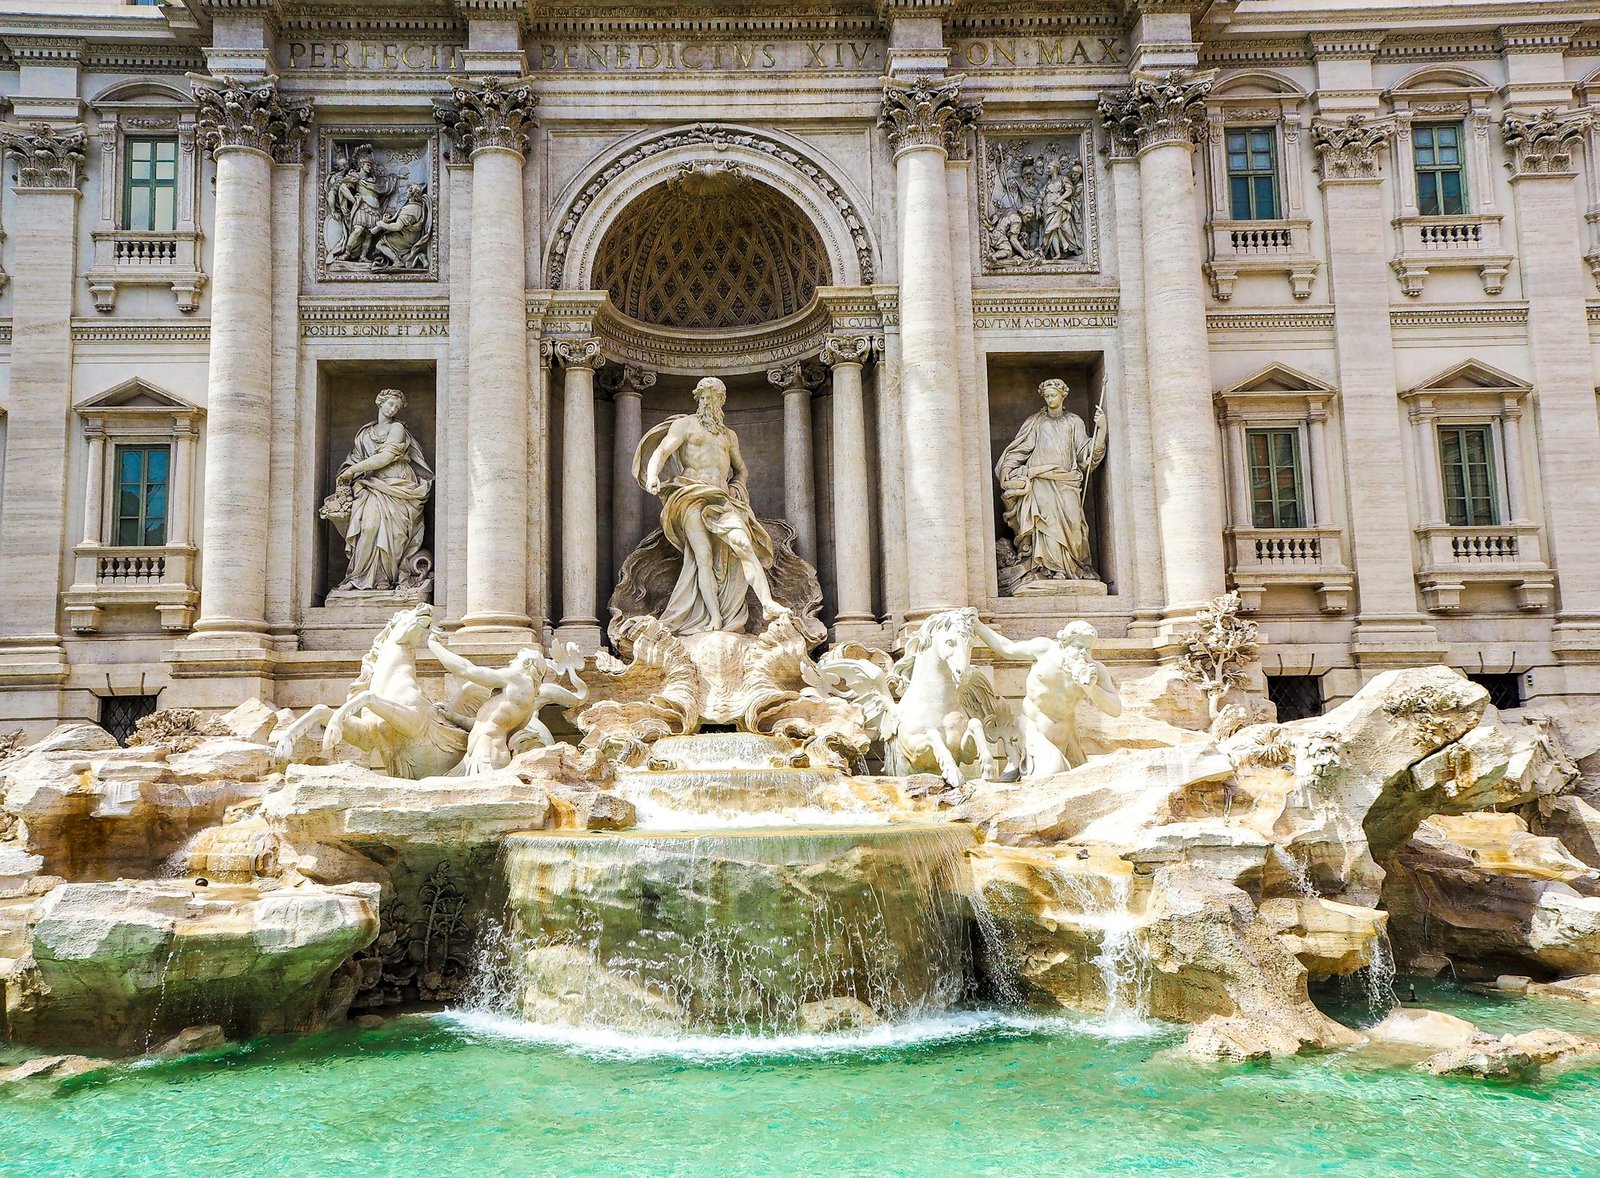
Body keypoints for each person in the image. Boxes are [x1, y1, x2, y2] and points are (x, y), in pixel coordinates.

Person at [636, 376, 789, 634]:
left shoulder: (728, 436)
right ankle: (714, 619)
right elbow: (661, 452)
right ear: (698, 399)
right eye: (704, 397)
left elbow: (741, 469)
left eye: (714, 397)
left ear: (721, 401)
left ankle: (767, 603)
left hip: (721, 499)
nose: (708, 402)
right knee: (703, 557)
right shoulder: (686, 426)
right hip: (690, 495)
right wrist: (653, 475)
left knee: (743, 543)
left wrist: (736, 486)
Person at [972, 618, 1122, 777]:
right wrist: (977, 625)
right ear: (1064, 644)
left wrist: (1091, 688)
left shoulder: (1096, 671)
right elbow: (1007, 648)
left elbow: (1115, 709)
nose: (1084, 653)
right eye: (1078, 647)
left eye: (1088, 649)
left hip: (1067, 736)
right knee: (1053, 771)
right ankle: (1018, 757)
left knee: (1076, 779)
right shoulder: (1044, 650)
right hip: (1035, 728)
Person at [996, 378, 1107, 584]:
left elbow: (1087, 455)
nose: (1049, 399)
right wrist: (1007, 468)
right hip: (1040, 482)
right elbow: (1019, 449)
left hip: (1067, 481)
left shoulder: (1074, 422)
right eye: (1046, 396)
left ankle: (1073, 567)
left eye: (1053, 395)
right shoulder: (1036, 421)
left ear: (1063, 395)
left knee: (1074, 524)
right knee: (1045, 524)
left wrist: (1101, 430)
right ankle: (1050, 569)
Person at [429, 636, 587, 775]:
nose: (511, 662)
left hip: (487, 755)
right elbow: (486, 724)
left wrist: (435, 646)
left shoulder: (517, 679)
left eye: (516, 658)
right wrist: (453, 717)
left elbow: (466, 669)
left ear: (526, 663)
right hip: (481, 754)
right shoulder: (527, 700)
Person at [327, 388, 432, 591]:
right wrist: (349, 472)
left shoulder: (397, 429)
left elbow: (385, 457)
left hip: (398, 484)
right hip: (371, 485)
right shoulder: (365, 433)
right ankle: (359, 576)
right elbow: (355, 459)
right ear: (379, 402)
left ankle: (386, 578)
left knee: (394, 535)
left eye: (397, 407)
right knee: (368, 527)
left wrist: (354, 471)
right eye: (390, 404)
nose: (393, 409)